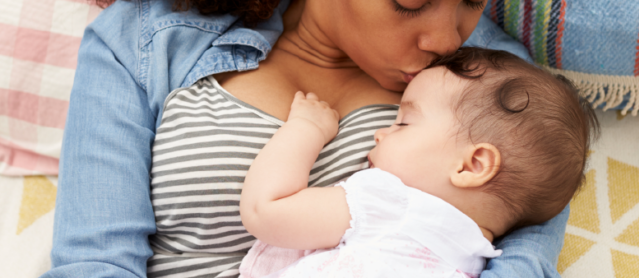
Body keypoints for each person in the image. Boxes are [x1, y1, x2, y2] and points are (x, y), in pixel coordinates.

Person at [44, 0, 573, 277]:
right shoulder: (146, 42)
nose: (447, 40)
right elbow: (95, 261)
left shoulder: (507, 94)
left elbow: (519, 264)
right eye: (410, 2)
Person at [237, 47, 597, 277]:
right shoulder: (476, 262)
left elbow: (266, 209)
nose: (381, 133)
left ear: (471, 165)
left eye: (404, 122)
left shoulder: (392, 202)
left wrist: (305, 128)